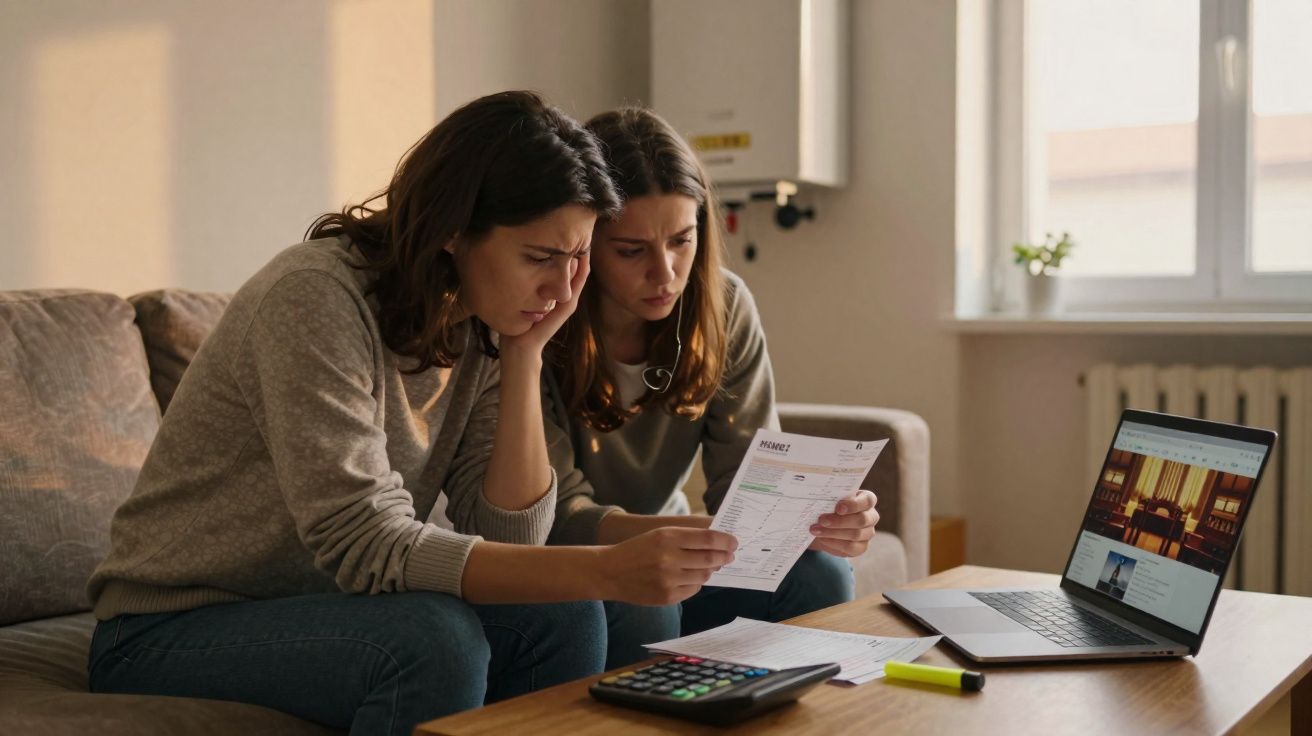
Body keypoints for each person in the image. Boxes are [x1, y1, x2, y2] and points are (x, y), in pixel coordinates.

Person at [85, 91, 736, 736]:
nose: (564, 290)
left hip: (327, 608)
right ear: (454, 231)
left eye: (578, 260)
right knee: (434, 640)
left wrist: (525, 355)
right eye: (540, 258)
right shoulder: (315, 298)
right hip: (168, 627)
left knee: (566, 615)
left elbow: (513, 540)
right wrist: (604, 568)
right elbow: (365, 541)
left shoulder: (487, 322)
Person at [544, 107, 881, 669]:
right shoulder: (543, 320)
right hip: (574, 565)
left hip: (677, 553)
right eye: (632, 250)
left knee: (820, 569)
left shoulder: (724, 306)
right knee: (647, 594)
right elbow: (558, 516)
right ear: (586, 242)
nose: (666, 272)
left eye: (682, 240)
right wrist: (691, 535)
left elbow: (748, 485)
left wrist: (817, 520)